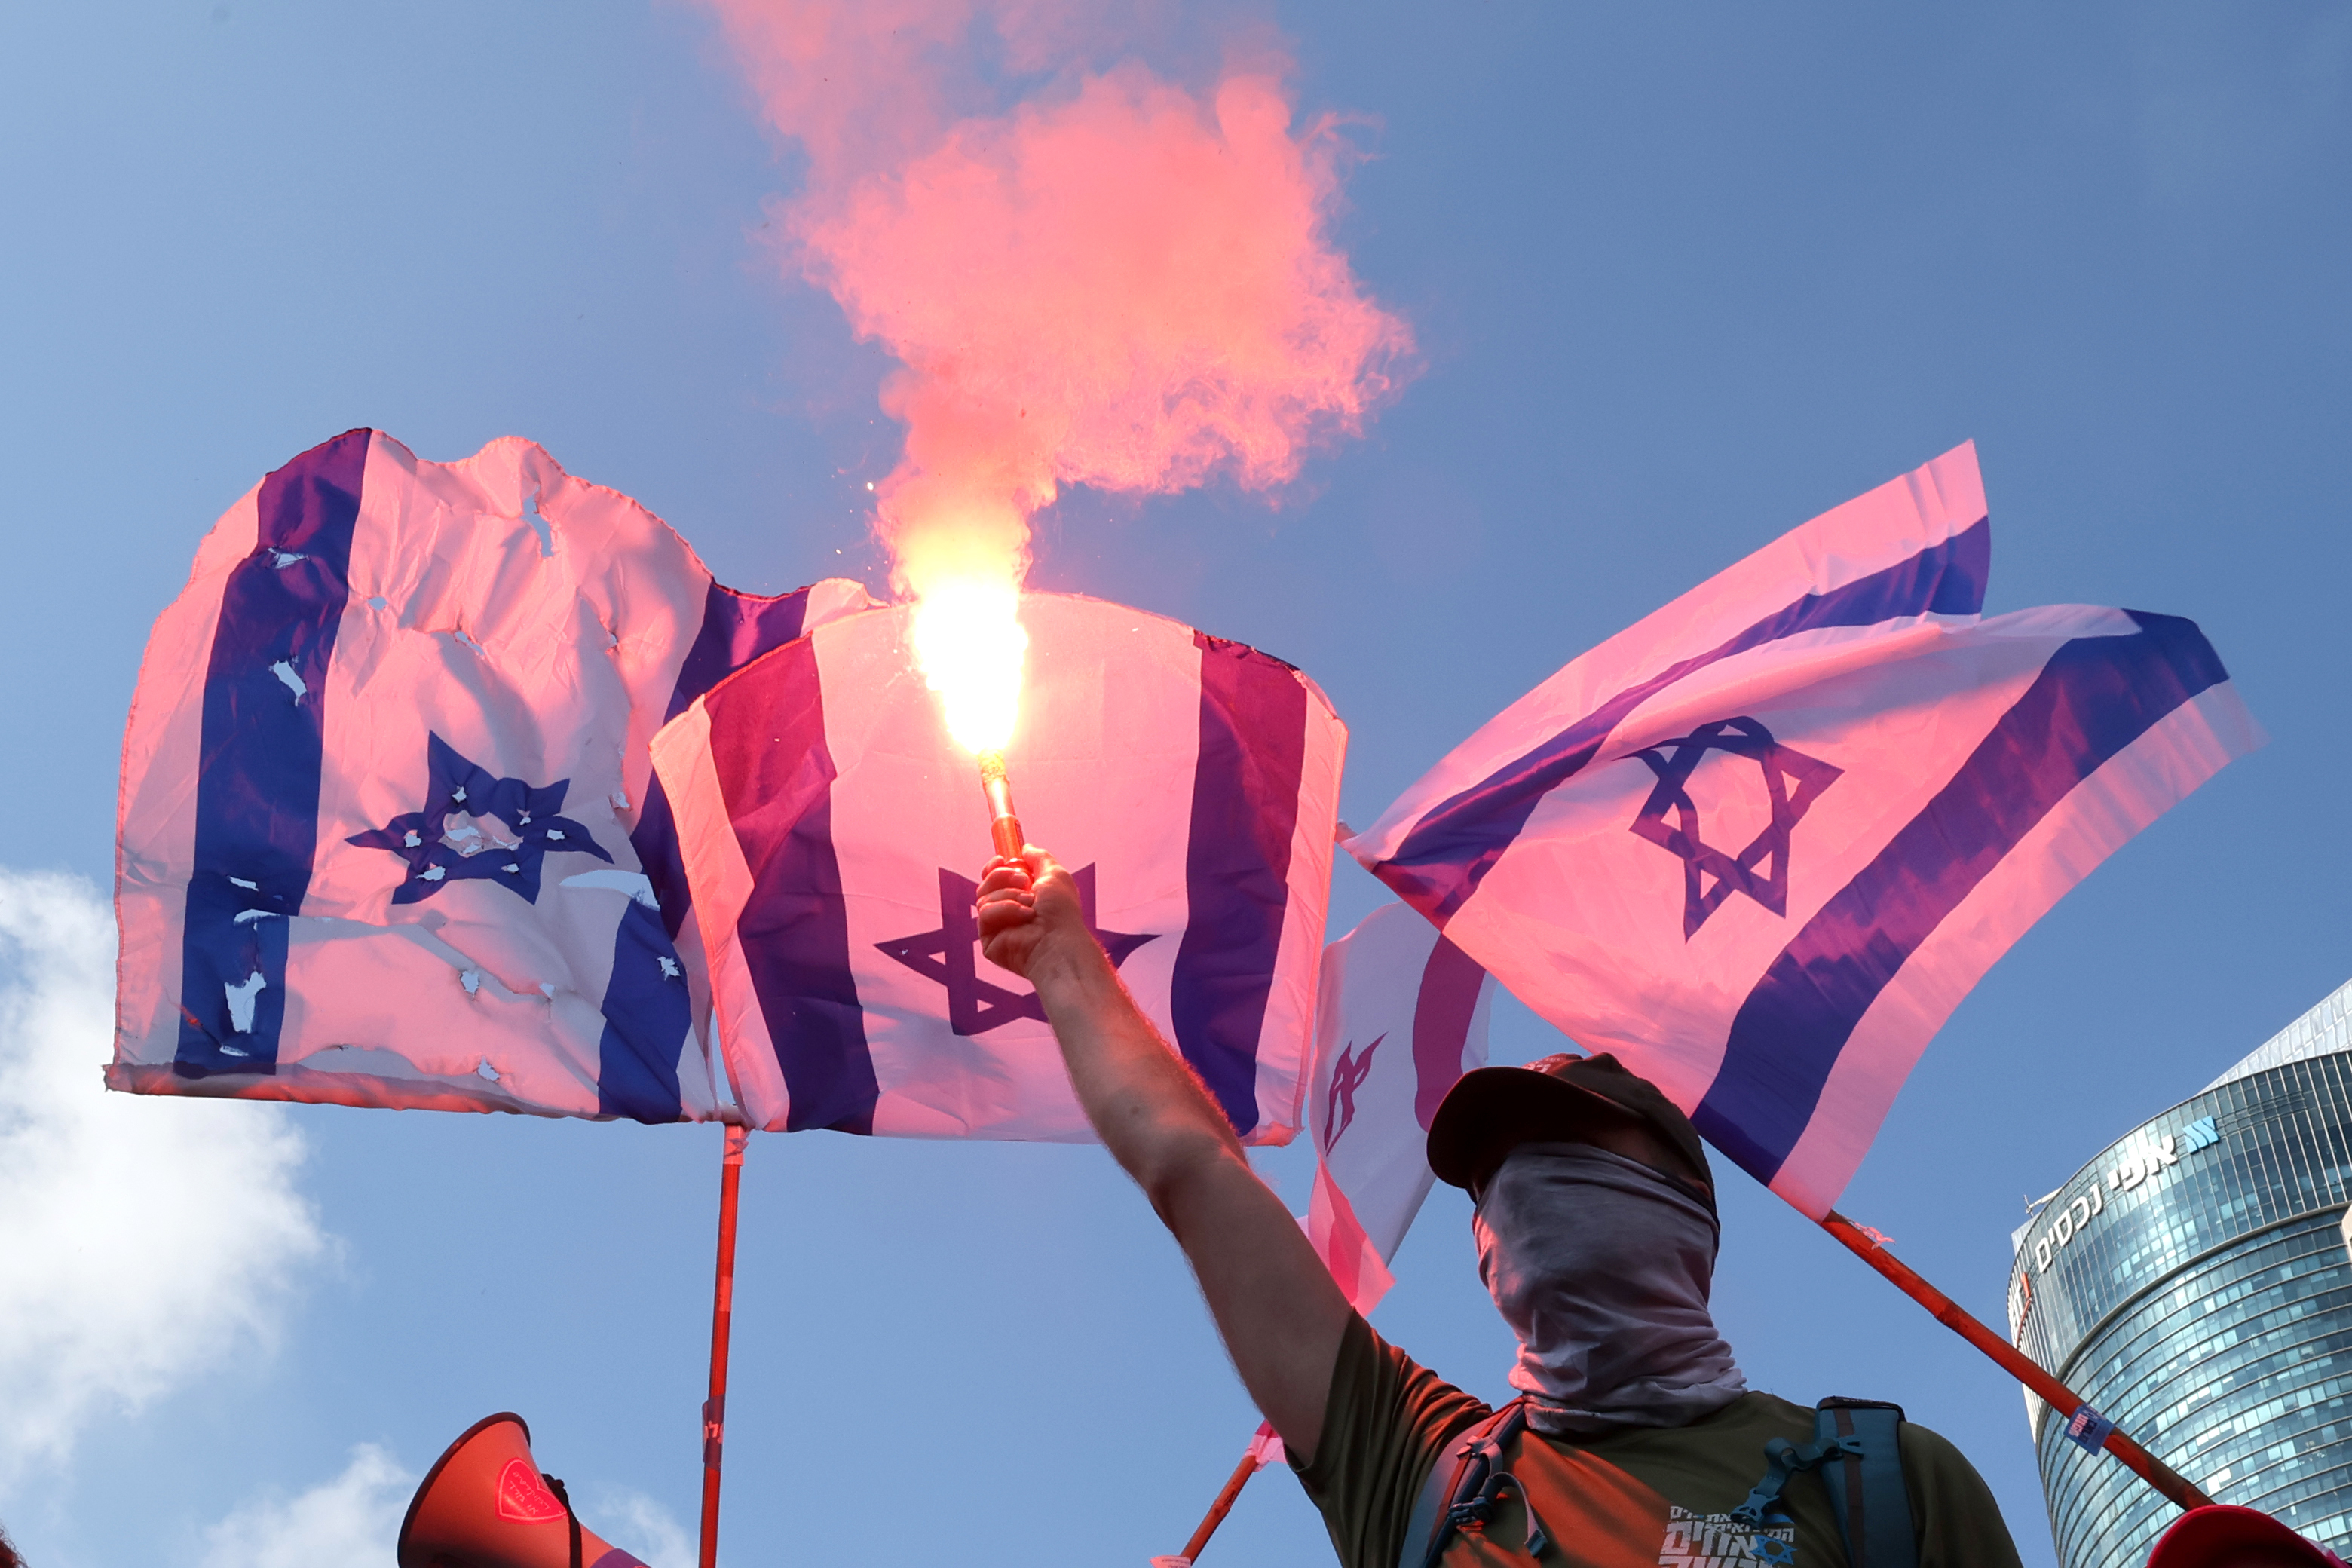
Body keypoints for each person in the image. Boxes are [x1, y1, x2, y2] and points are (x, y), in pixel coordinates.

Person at [977, 846, 2024, 1568]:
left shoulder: (1885, 1481)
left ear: (1683, 1207)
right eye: (1493, 1175)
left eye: (1566, 1145)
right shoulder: (1411, 1461)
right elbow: (1193, 1169)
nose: (1523, 1185)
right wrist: (1065, 960)